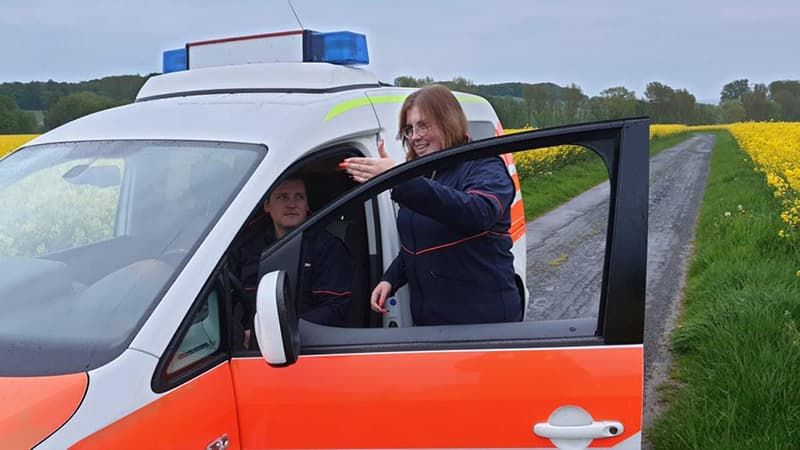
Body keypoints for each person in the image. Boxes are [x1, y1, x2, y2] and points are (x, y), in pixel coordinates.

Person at [342, 84, 521, 325]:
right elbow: (419, 243)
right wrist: (390, 279)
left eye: (423, 126)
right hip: (431, 324)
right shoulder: (423, 174)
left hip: (483, 322)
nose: (414, 136)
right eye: (409, 129)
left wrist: (400, 179)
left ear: (448, 122)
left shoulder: (484, 165)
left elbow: (478, 212)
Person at [235, 177, 354, 328]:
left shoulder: (328, 248)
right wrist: (245, 329)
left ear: (307, 205)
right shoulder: (246, 247)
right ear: (267, 205)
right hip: (249, 343)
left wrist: (285, 331)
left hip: (309, 342)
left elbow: (336, 308)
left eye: (299, 197)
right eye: (283, 197)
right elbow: (232, 301)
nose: (292, 205)